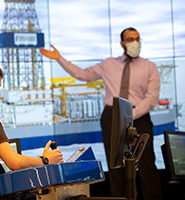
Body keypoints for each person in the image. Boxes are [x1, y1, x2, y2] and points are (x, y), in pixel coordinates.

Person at [40, 27, 162, 200]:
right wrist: (59, 58)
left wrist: (128, 116)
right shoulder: (108, 64)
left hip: (140, 118)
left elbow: (151, 98)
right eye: (130, 39)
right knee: (115, 167)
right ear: (122, 43)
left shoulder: (149, 67)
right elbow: (81, 74)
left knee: (147, 165)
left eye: (137, 39)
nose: (135, 42)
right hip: (112, 118)